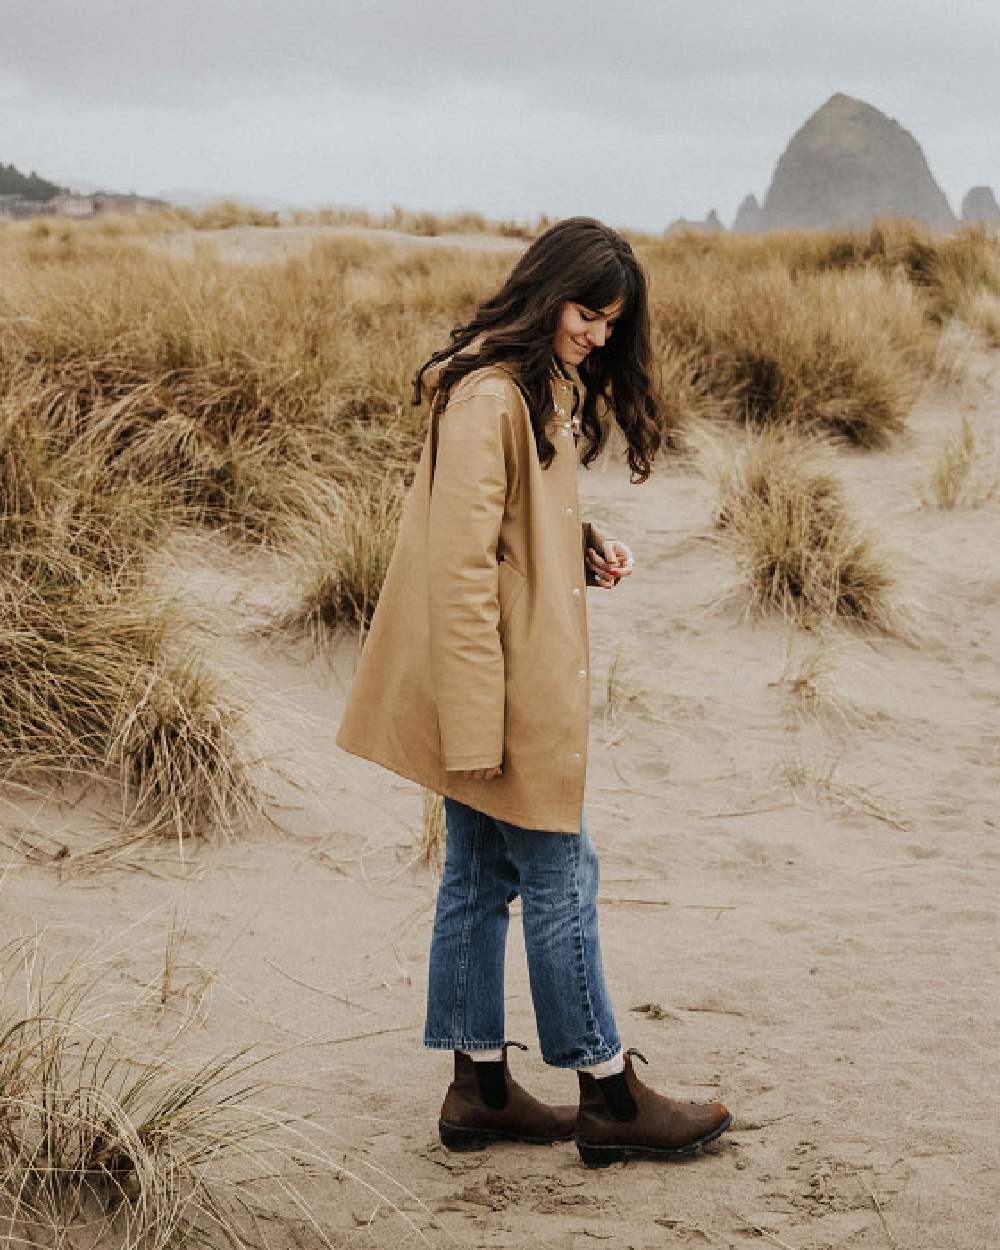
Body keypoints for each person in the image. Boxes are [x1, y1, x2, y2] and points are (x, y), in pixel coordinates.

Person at [335, 216, 731, 1167]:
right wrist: (475, 725)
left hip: (506, 676)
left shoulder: (531, 388)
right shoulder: (488, 397)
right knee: (562, 877)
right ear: (546, 290)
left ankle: (478, 1089)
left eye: (610, 323)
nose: (597, 336)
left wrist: (577, 545)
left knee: (476, 882)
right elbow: (459, 572)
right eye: (587, 314)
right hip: (501, 691)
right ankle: (607, 1094)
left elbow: (512, 521)